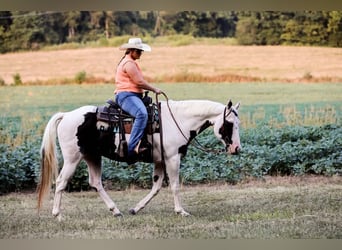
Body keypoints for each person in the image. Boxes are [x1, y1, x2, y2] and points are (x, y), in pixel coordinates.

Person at [114, 37, 162, 158]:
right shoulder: (129, 63)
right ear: (132, 51)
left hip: (132, 95)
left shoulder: (130, 62)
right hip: (126, 95)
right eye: (139, 51)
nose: (141, 53)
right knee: (142, 114)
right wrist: (154, 89)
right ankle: (131, 149)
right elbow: (139, 82)